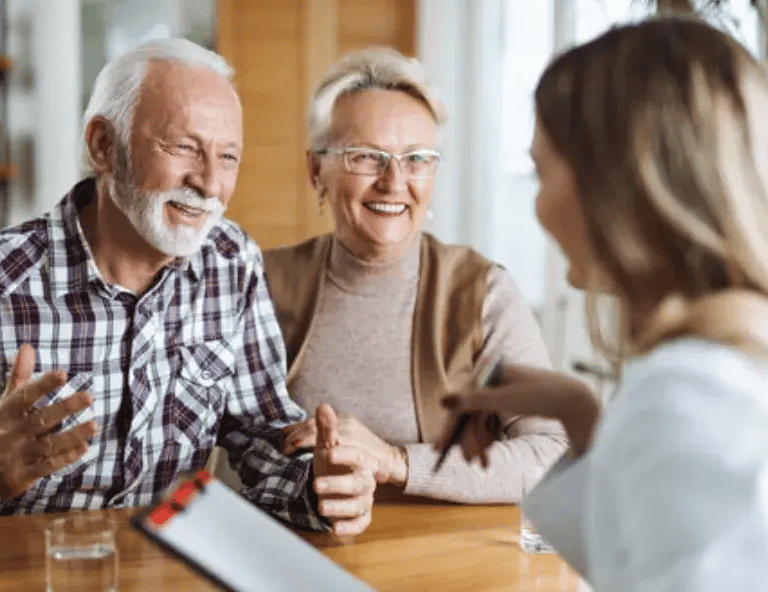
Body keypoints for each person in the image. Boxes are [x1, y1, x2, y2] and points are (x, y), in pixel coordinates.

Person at [438, 16, 768, 590]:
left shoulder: (689, 395)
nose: (537, 209)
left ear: (615, 181)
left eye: (542, 172)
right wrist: (584, 421)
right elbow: (644, 557)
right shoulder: (720, 368)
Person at [0, 37, 377, 537]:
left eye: (227, 157)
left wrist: (318, 485)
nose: (209, 183)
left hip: (170, 568)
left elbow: (261, 434)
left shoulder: (230, 260)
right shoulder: (8, 280)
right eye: (182, 147)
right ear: (103, 146)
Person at [263, 47, 568, 503]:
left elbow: (554, 453)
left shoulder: (484, 292)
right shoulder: (259, 283)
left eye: (417, 158)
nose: (394, 181)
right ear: (315, 170)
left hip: (442, 564)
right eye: (366, 156)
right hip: (303, 552)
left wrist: (396, 461)